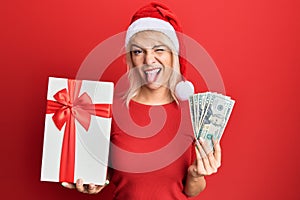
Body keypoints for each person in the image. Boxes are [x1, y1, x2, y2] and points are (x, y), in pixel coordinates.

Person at [62, 2, 221, 199]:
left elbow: (190, 190)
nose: (149, 60)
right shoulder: (109, 107)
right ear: (130, 58)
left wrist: (196, 175)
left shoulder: (193, 113)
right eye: (138, 51)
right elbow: (107, 175)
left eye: (159, 50)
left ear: (174, 56)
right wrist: (94, 182)